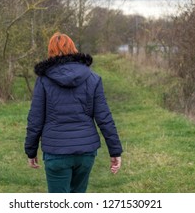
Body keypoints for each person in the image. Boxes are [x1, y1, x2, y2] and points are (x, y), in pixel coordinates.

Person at [24, 32, 123, 193]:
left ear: (51, 52)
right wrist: (115, 151)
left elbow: (35, 120)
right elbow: (104, 118)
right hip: (85, 152)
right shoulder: (93, 78)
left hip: (56, 152)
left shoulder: (44, 80)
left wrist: (31, 151)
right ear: (73, 48)